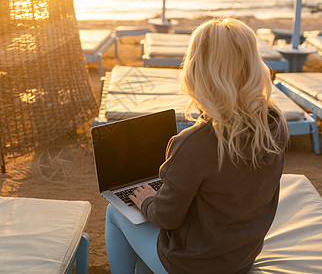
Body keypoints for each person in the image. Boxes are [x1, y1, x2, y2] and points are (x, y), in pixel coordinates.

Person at [105, 18, 289, 274]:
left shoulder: (194, 143)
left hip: (192, 265)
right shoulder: (273, 124)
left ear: (197, 71)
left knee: (115, 213)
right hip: (240, 257)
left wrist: (147, 200)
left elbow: (166, 218)